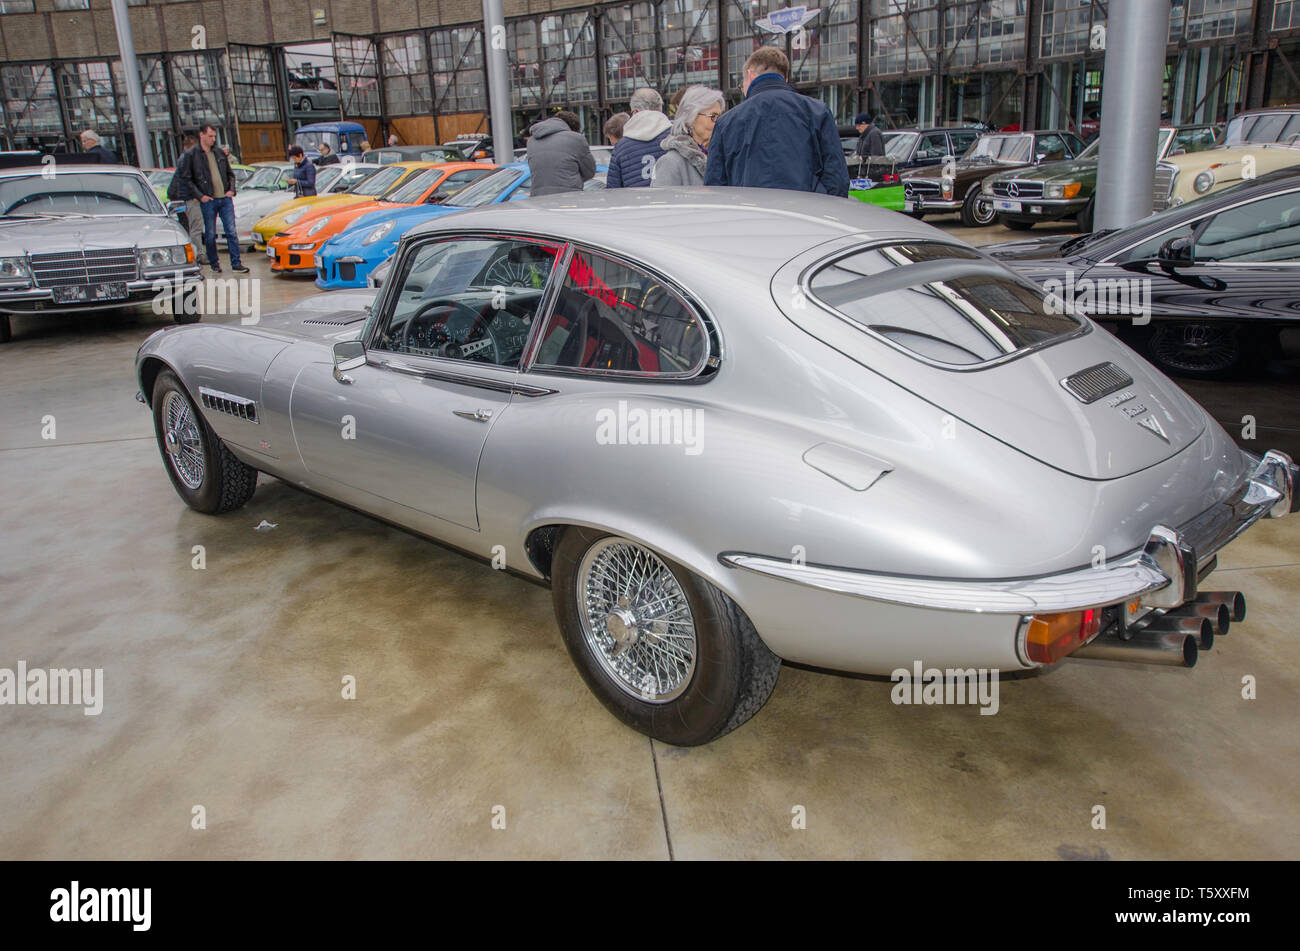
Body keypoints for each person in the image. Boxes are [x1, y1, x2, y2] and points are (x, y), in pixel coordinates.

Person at [704, 48, 849, 197]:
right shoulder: (817, 112)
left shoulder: (726, 123)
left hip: (750, 216)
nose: (743, 90)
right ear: (785, 78)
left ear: (750, 75)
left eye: (742, 85)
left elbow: (716, 188)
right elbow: (837, 180)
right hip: (805, 214)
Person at [177, 123, 248, 273]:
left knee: (231, 231)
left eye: (214, 136)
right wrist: (200, 195)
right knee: (209, 234)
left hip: (224, 198)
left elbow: (230, 173)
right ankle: (215, 263)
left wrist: (231, 190)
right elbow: (186, 179)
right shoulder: (192, 155)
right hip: (208, 199)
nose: (213, 139)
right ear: (201, 135)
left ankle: (236, 263)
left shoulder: (219, 153)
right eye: (210, 136)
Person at [651, 86, 723, 187]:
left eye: (721, 117)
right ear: (691, 118)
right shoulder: (670, 163)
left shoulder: (721, 157)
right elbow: (661, 201)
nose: (719, 123)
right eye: (713, 117)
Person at [606, 88, 670, 189]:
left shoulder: (621, 147)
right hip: (670, 202)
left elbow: (613, 191)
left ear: (635, 112)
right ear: (659, 108)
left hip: (634, 202)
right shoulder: (675, 138)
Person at [525, 110, 595, 196]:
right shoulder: (576, 138)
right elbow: (589, 171)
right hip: (569, 197)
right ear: (573, 129)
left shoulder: (532, 140)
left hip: (539, 198)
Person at [172, 133, 204, 254]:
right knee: (195, 226)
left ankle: (198, 251)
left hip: (187, 197)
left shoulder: (183, 158)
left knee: (192, 225)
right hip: (191, 198)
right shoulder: (187, 159)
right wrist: (196, 195)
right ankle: (199, 253)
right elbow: (188, 179)